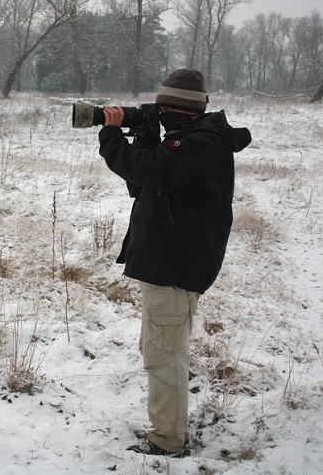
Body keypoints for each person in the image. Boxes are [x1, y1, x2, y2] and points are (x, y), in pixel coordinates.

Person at [97, 69, 252, 457]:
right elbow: (146, 183)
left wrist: (113, 136)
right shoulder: (191, 140)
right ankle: (170, 427)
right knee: (163, 349)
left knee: (163, 357)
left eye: (162, 110)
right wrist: (147, 137)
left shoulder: (200, 145)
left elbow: (150, 170)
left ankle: (168, 440)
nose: (158, 115)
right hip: (172, 264)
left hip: (174, 267)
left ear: (177, 109)